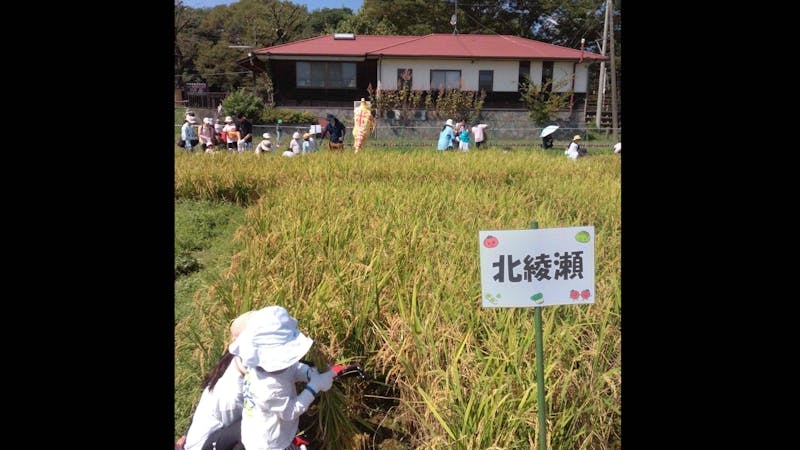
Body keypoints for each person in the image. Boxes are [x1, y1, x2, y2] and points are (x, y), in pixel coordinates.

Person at [229, 306, 336, 450]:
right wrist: (314, 387)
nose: (289, 362)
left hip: (264, 428)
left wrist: (309, 374)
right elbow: (290, 411)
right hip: (268, 444)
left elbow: (292, 368)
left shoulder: (264, 366)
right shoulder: (268, 388)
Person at [182, 311, 256, 450]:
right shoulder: (232, 391)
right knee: (254, 426)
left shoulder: (236, 358)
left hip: (221, 436)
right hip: (205, 446)